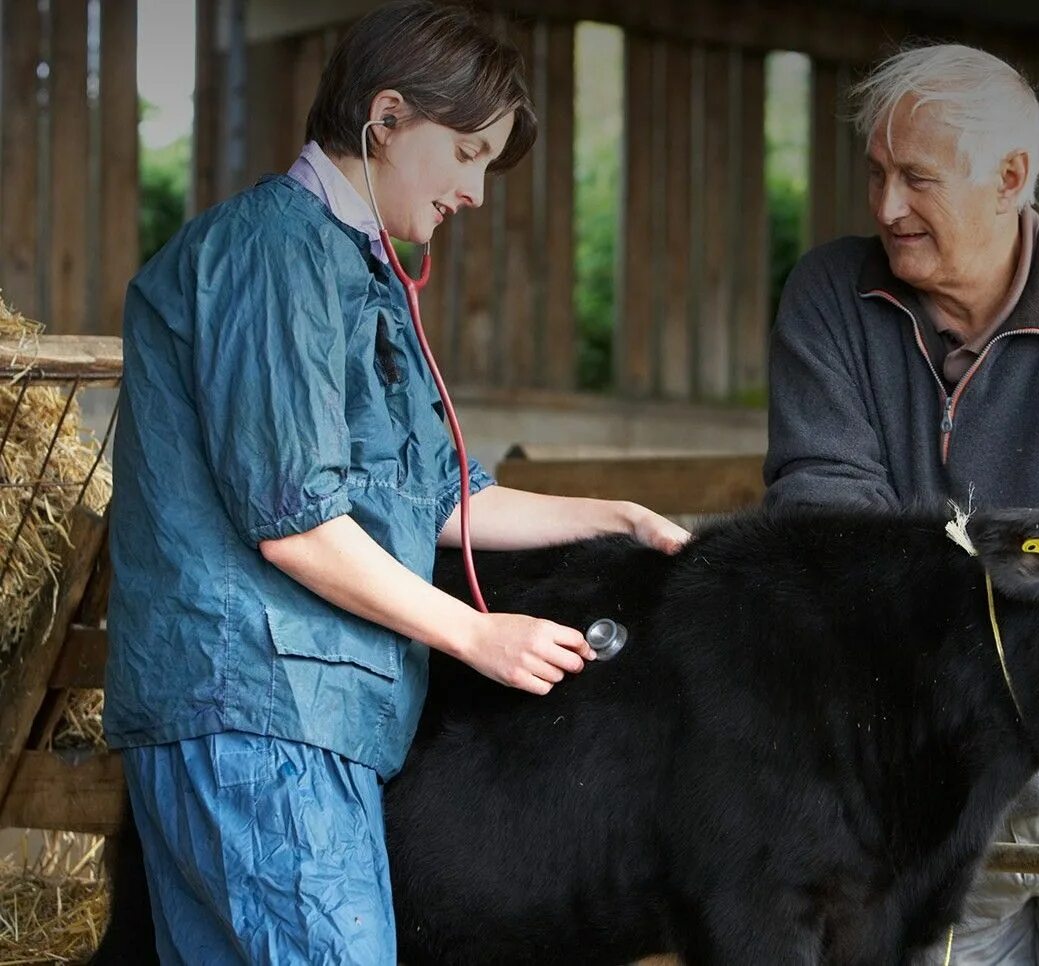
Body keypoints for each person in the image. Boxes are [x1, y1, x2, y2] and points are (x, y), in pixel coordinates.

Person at [103, 3, 689, 962]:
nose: (477, 192)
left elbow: (445, 496)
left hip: (305, 717)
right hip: (257, 706)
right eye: (465, 154)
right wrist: (474, 632)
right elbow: (291, 519)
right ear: (386, 119)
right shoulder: (273, 252)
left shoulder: (356, 272)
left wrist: (617, 515)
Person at [764, 43, 1039, 964]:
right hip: (927, 772)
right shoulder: (830, 300)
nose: (886, 207)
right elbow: (827, 537)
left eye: (916, 178)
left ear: (1010, 178)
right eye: (877, 173)